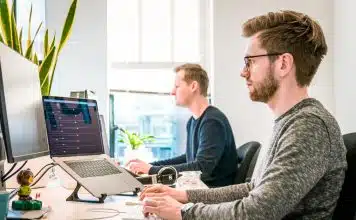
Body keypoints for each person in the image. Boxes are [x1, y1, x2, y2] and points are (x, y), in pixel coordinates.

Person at [139, 10, 347, 220]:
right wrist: (182, 195)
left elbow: (258, 211)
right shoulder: (290, 122)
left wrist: (181, 212)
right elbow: (254, 189)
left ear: (283, 64)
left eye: (250, 61)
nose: (243, 71)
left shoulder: (309, 126)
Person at [126, 63, 238, 187]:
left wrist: (151, 170)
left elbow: (201, 169)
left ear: (193, 86)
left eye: (177, 86)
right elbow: (188, 158)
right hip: (198, 188)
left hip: (212, 193)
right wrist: (151, 166)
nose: (172, 92)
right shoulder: (193, 121)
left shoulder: (212, 122)